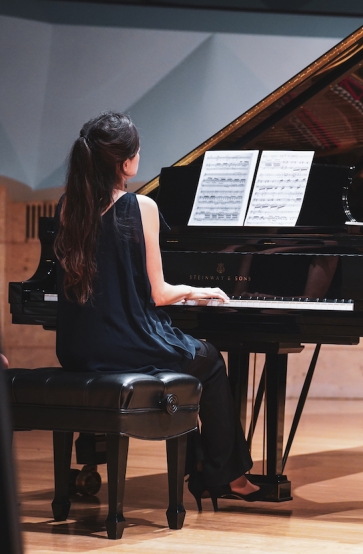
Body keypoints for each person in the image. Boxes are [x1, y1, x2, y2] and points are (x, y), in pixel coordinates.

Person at [54, 111, 273, 510]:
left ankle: (200, 464)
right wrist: (199, 290)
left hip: (76, 347)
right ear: (125, 162)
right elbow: (158, 294)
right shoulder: (141, 207)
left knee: (184, 362)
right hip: (125, 343)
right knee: (208, 362)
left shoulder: (69, 206)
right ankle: (226, 475)